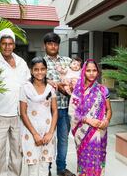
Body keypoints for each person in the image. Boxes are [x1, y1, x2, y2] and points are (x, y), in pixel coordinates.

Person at [0, 28, 31, 176]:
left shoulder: (22, 63)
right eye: (4, 44)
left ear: (14, 45)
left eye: (10, 44)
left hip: (19, 116)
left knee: (17, 152)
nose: (7, 47)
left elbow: (28, 87)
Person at [68, 59, 112, 176]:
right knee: (85, 162)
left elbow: (108, 110)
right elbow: (73, 112)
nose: (91, 73)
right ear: (83, 72)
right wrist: (88, 120)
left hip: (100, 131)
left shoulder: (103, 90)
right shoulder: (78, 91)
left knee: (98, 160)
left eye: (94, 70)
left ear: (98, 72)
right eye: (88, 70)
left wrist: (106, 121)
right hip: (83, 133)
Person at [42, 32, 75, 176]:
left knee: (63, 140)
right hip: (47, 109)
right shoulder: (41, 63)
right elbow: (37, 80)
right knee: (48, 139)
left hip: (66, 108)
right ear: (45, 45)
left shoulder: (68, 61)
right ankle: (46, 169)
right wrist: (50, 82)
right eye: (50, 43)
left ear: (58, 45)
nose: (53, 46)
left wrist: (57, 84)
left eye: (55, 43)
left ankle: (61, 169)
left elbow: (75, 80)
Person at [20, 57, 58, 176]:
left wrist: (50, 132)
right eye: (36, 69)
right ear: (31, 71)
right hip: (31, 132)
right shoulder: (25, 88)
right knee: (33, 167)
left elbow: (55, 111)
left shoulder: (50, 88)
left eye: (42, 69)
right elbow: (23, 113)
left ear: (46, 70)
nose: (39, 72)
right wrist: (35, 134)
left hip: (48, 131)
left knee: (44, 166)